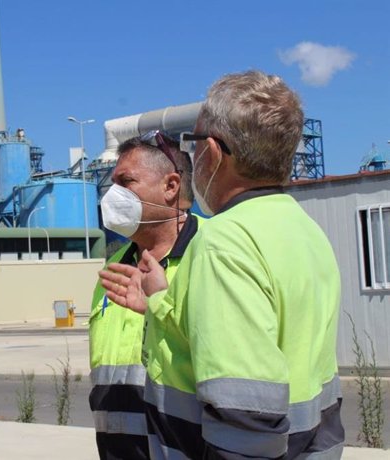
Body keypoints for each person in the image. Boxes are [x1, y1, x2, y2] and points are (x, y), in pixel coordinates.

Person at [101, 70, 344, 459]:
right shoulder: (307, 232)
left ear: (212, 153)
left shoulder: (222, 242)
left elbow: (245, 418)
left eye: (194, 146)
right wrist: (163, 305)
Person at [89, 132, 201, 460]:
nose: (113, 195)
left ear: (170, 186)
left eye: (127, 182)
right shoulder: (114, 264)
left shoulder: (211, 254)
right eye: (113, 184)